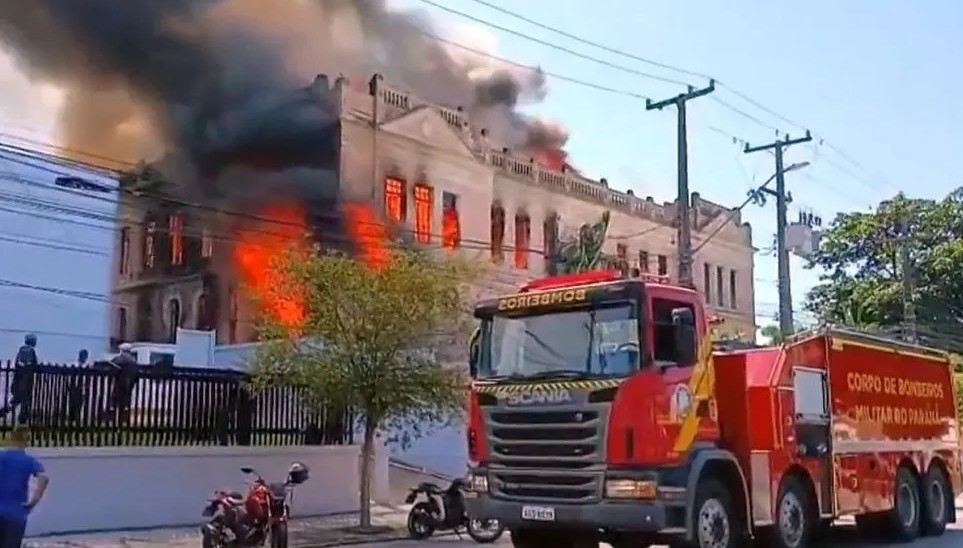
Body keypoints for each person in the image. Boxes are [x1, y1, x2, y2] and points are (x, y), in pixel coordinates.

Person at [0, 426, 49, 547]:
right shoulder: (28, 461)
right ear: (26, 441)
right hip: (16, 514)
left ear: (10, 438)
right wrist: (33, 502)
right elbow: (44, 478)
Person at [0, 335, 39, 424]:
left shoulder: (21, 350)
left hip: (18, 380)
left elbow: (17, 362)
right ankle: (22, 417)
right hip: (26, 380)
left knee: (15, 401)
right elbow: (34, 363)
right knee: (24, 400)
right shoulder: (31, 350)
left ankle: (4, 411)